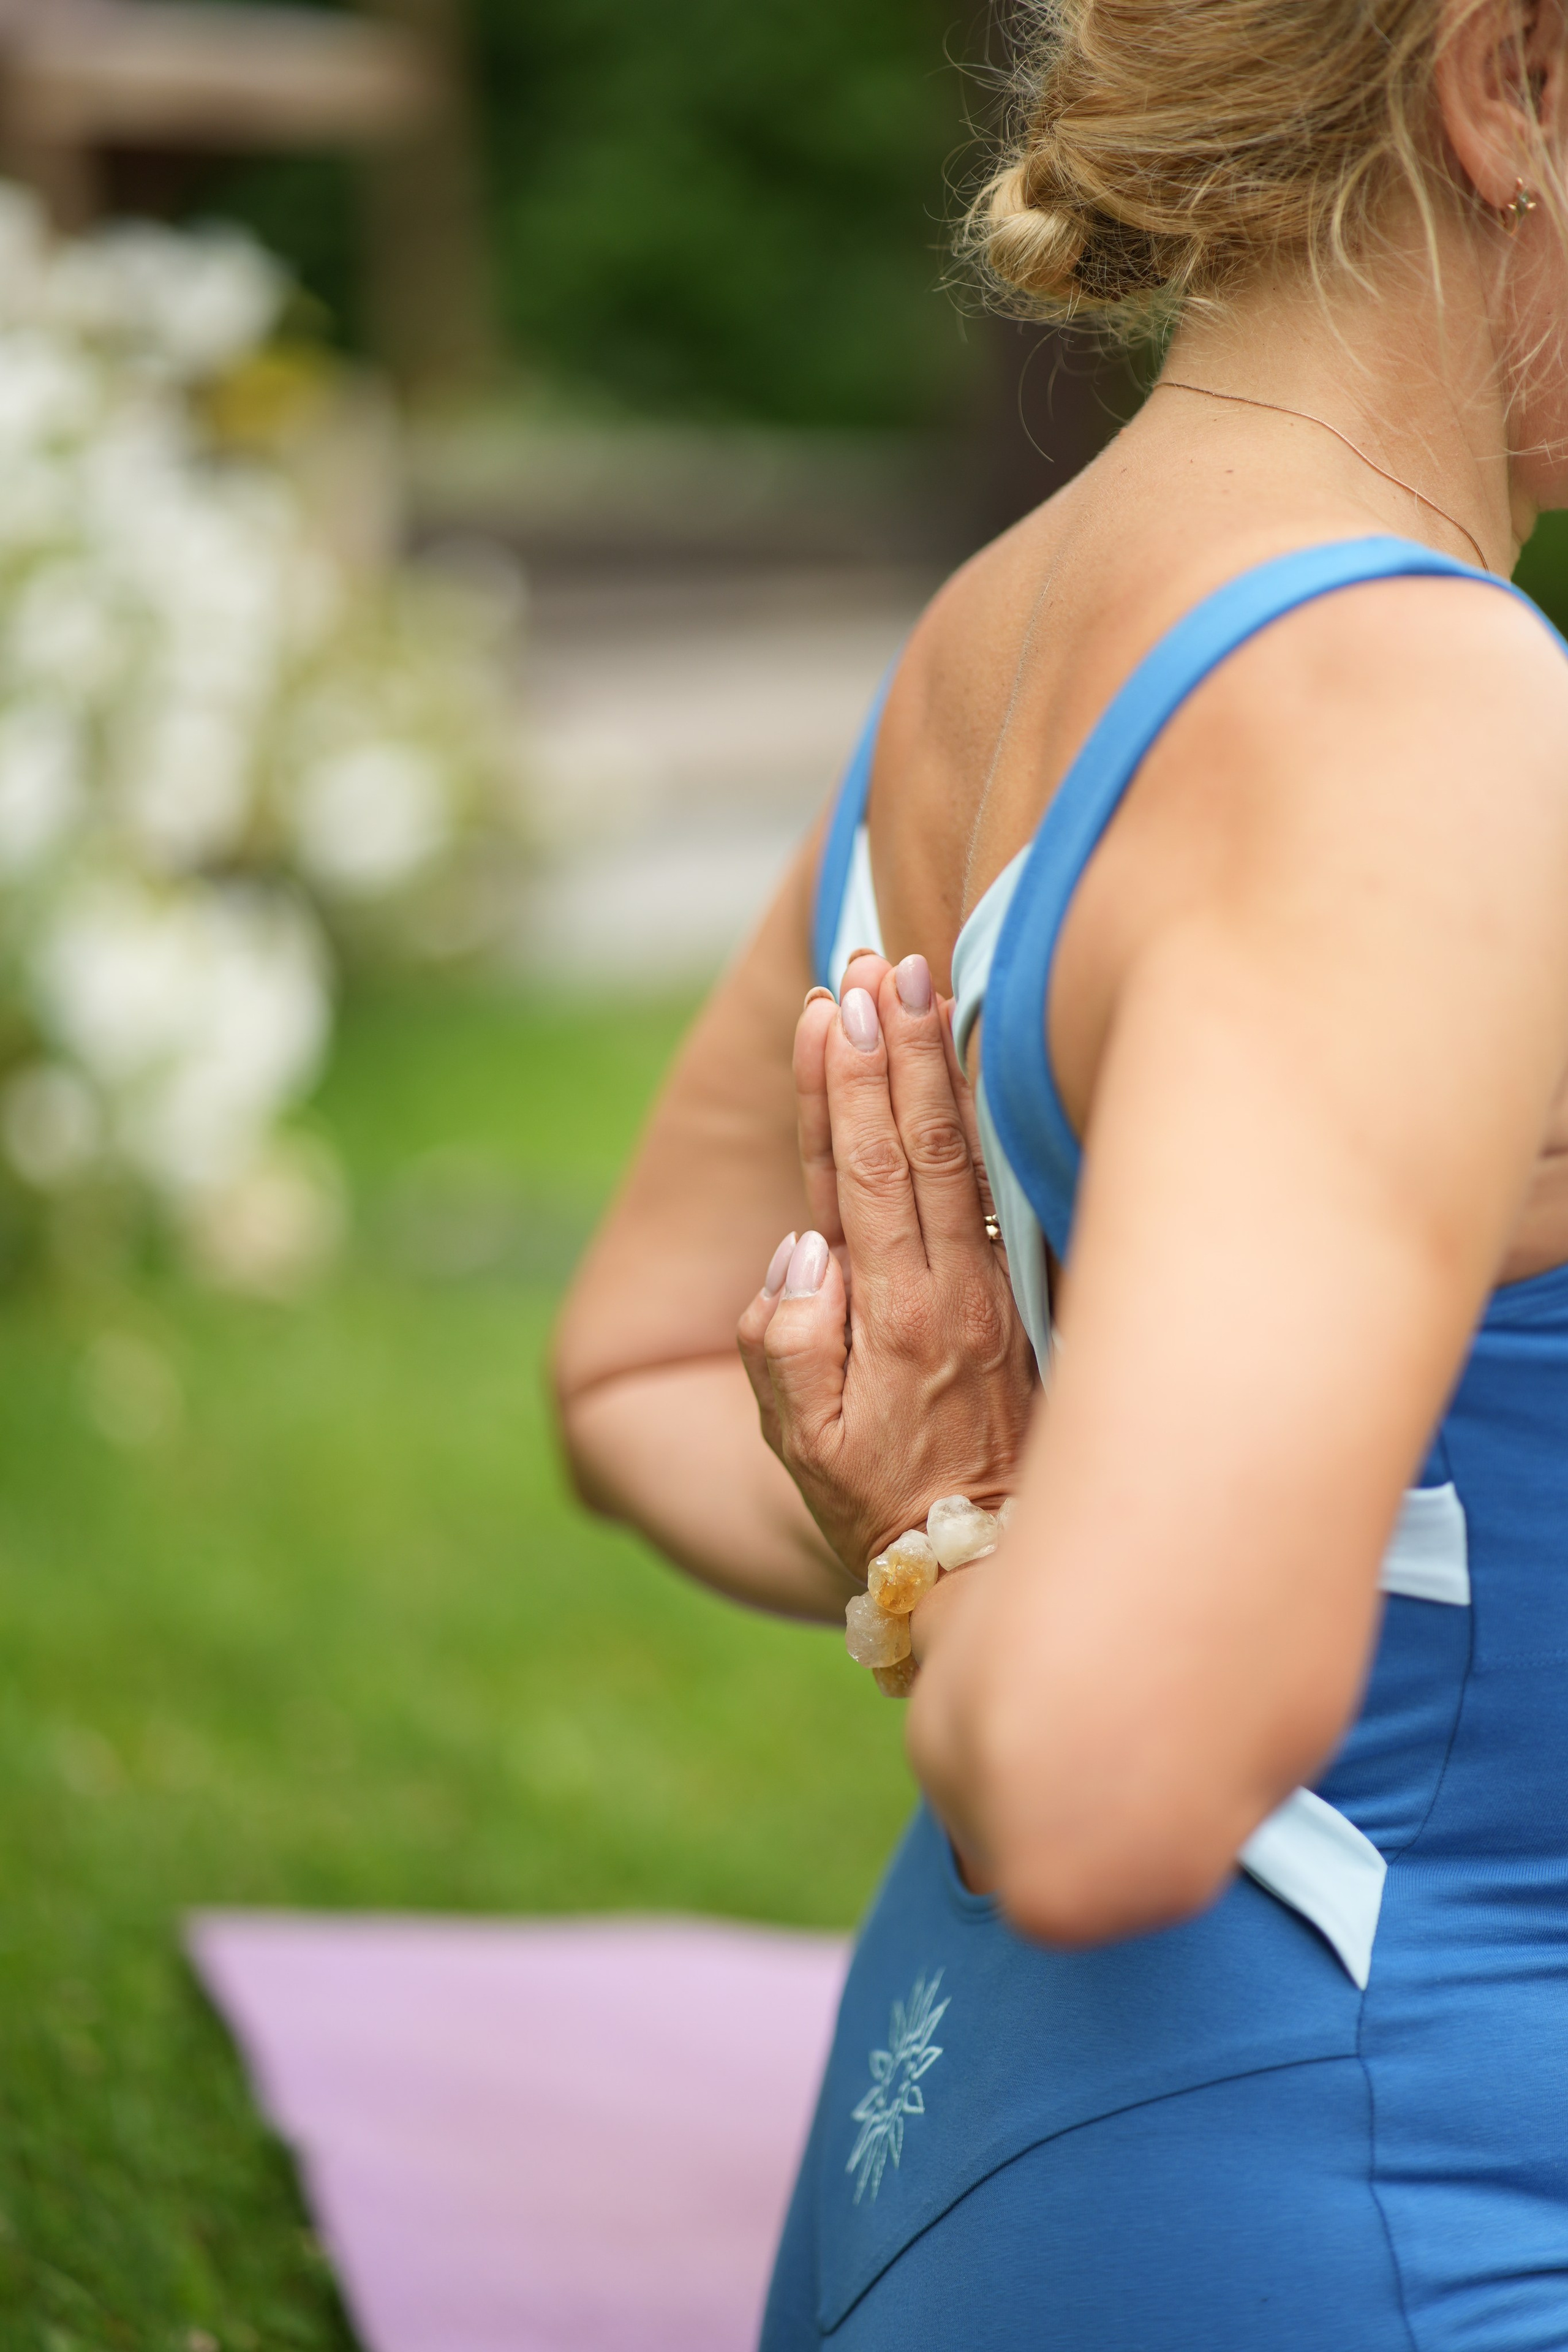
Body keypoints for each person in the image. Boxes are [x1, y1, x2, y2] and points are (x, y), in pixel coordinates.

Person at [552, 0, 1568, 2340]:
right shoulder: (1416, 713)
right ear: (1509, 81)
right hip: (1395, 2215)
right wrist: (951, 1544)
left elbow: (623, 1366)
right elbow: (1115, 1782)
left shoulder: (990, 640)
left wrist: (963, 1524)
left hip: (972, 2153)